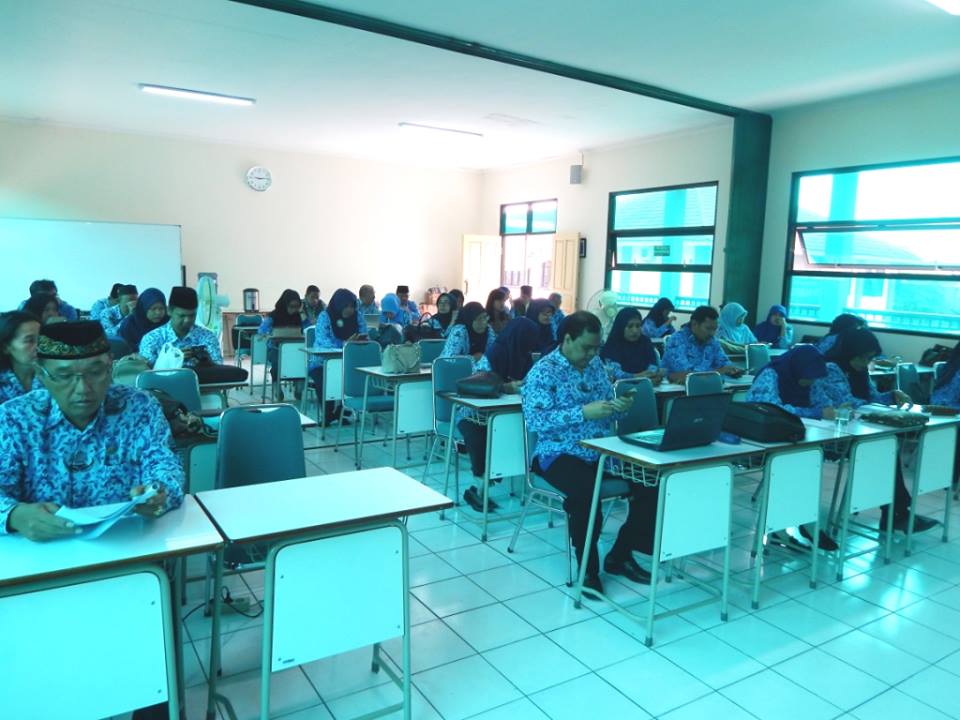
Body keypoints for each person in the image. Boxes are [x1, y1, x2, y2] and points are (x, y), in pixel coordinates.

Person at [0, 321, 183, 720]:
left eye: (95, 373)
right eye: (65, 376)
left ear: (111, 367)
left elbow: (165, 465)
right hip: (42, 576)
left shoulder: (138, 408)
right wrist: (13, 515)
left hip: (127, 567)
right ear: (42, 373)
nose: (82, 389)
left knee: (153, 669)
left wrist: (158, 492)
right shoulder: (14, 420)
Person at [523, 311, 658, 598]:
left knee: (651, 481)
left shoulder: (595, 365)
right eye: (586, 348)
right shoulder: (543, 372)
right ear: (567, 339)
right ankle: (588, 568)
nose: (592, 354)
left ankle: (620, 554)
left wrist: (618, 406)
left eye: (596, 348)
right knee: (586, 493)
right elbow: (535, 421)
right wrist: (582, 412)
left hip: (602, 450)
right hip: (558, 452)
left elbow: (606, 404)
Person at [821, 329, 937, 534]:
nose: (866, 363)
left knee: (885, 448)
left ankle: (896, 514)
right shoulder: (831, 368)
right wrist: (871, 406)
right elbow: (846, 402)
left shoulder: (859, 371)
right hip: (833, 433)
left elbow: (872, 399)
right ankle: (897, 514)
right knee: (884, 450)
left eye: (870, 358)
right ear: (850, 352)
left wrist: (892, 395)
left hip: (856, 431)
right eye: (863, 357)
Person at [458, 318, 539, 512]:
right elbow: (477, 385)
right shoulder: (495, 353)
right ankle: (481, 486)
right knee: (482, 435)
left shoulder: (524, 355)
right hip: (474, 414)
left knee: (511, 432)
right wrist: (505, 387)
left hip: (505, 412)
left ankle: (482, 487)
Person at [310, 288, 367, 423]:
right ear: (338, 305)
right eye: (346, 306)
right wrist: (345, 344)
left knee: (355, 377)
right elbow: (323, 341)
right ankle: (327, 413)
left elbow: (365, 334)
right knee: (323, 378)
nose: (350, 309)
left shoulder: (358, 316)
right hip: (323, 362)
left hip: (349, 361)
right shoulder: (325, 316)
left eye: (352, 306)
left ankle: (341, 411)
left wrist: (360, 340)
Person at [139, 287, 223, 368]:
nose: (187, 320)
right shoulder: (152, 339)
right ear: (169, 311)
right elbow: (147, 372)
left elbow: (220, 370)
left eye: (192, 315)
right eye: (182, 316)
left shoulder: (207, 337)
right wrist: (171, 360)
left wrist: (208, 363)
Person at [745, 345, 836, 419]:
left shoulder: (811, 378)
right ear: (797, 368)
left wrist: (831, 410)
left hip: (796, 427)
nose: (811, 382)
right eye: (808, 377)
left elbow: (822, 403)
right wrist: (815, 413)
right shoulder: (770, 375)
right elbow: (771, 409)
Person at [661, 305, 741, 383]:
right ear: (694, 324)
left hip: (707, 386)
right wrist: (719, 371)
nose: (712, 333)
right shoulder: (677, 340)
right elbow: (689, 375)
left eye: (715, 329)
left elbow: (724, 363)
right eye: (708, 328)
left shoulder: (712, 341)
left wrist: (732, 370)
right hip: (678, 389)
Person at [258, 289, 309, 390]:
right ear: (285, 304)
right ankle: (276, 384)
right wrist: (268, 334)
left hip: (295, 348)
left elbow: (310, 329)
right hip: (275, 348)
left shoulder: (300, 315)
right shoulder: (273, 315)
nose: (294, 309)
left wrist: (302, 314)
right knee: (277, 360)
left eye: (297, 306)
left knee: (301, 360)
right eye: (291, 306)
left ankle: (299, 384)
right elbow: (261, 330)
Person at [600, 308, 662, 381]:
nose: (635, 330)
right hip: (621, 386)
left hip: (646, 384)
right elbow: (614, 373)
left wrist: (652, 374)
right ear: (621, 327)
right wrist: (637, 377)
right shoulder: (612, 344)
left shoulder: (645, 342)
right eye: (630, 326)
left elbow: (653, 364)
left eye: (638, 326)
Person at [0, 311, 42, 404]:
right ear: (5, 347)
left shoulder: (54, 376)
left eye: (42, 339)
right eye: (30, 341)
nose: (40, 346)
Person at [440, 302, 494, 372]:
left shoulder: (488, 329)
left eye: (485, 317)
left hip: (480, 373)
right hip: (453, 372)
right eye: (479, 319)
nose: (483, 322)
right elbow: (448, 360)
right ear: (469, 319)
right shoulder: (459, 331)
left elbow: (494, 354)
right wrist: (474, 358)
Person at [117, 288, 168, 352]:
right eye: (153, 309)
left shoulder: (168, 322)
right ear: (144, 308)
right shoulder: (129, 324)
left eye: (161, 308)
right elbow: (123, 348)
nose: (158, 313)